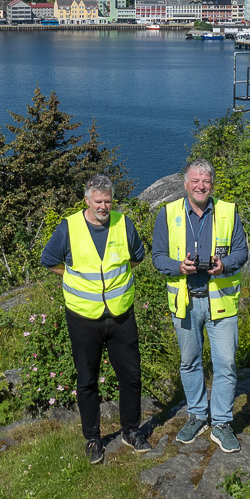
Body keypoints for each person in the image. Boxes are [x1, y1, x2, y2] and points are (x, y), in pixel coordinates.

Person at [40, 174, 150, 465]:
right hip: (83, 318)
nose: (104, 206)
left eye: (108, 200)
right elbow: (49, 260)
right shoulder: (69, 228)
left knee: (131, 375)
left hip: (121, 314)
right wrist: (73, 277)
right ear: (86, 200)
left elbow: (137, 257)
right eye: (98, 201)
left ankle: (131, 431)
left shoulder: (123, 223)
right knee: (87, 380)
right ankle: (92, 439)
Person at [151, 159, 248, 453]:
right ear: (185, 184)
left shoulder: (229, 212)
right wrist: (178, 267)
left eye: (205, 181)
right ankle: (196, 416)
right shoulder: (166, 215)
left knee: (226, 365)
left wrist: (225, 264)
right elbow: (157, 257)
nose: (200, 186)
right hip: (185, 303)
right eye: (195, 181)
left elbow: (242, 251)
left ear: (212, 184)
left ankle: (220, 422)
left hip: (221, 303)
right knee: (189, 362)